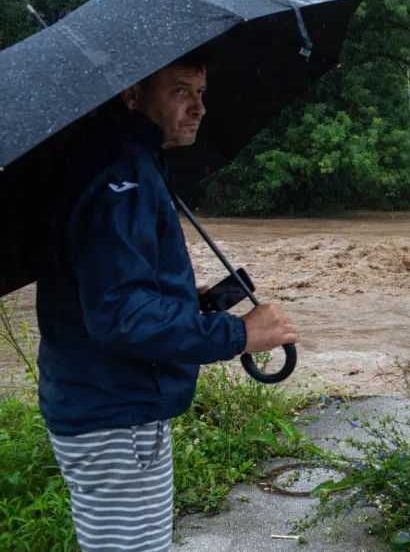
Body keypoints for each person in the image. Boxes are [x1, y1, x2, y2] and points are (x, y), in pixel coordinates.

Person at [33, 49, 298, 552]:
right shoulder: (121, 177)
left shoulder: (118, 160)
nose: (198, 107)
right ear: (132, 93)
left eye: (200, 92)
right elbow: (119, 317)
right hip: (116, 412)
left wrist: (182, 297)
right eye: (179, 90)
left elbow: (109, 287)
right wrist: (241, 334)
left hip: (104, 403)